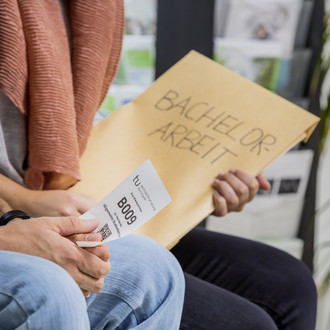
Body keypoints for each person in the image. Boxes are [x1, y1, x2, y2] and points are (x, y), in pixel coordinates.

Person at [0, 1, 317, 329]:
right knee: (245, 322)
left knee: (287, 282)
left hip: (78, 199)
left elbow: (70, 124)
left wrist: (205, 179)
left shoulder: (93, 8)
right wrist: (27, 202)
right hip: (28, 211)